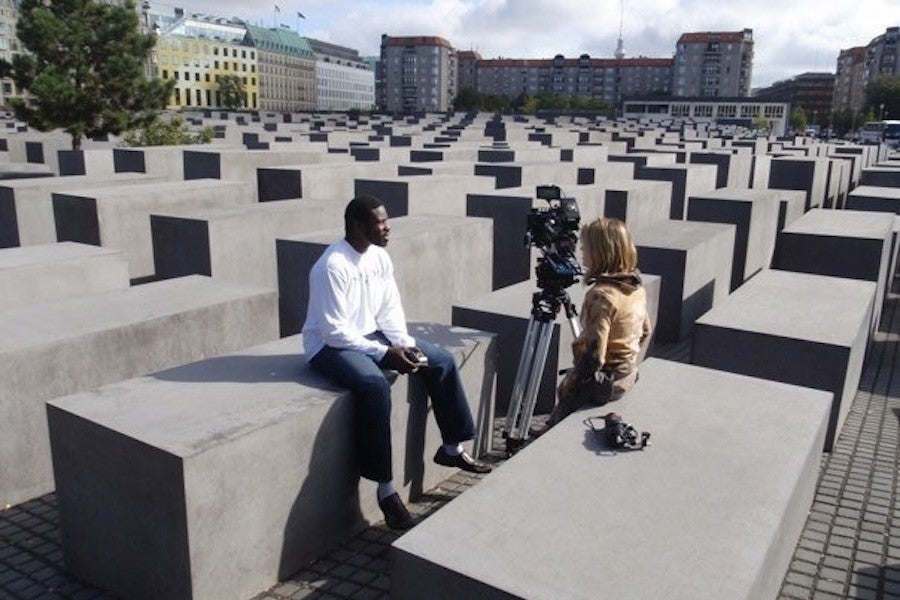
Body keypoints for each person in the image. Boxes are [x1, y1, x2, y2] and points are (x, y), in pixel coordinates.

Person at [302, 195, 491, 531]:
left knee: (441, 360)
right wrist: (384, 354)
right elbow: (334, 332)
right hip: (328, 346)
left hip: (372, 334)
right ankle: (386, 489)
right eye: (381, 222)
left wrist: (402, 345)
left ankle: (451, 447)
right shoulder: (332, 266)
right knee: (375, 385)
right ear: (359, 226)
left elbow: (390, 310)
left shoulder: (379, 257)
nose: (388, 228)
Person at [541, 217, 652, 431]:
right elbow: (645, 331)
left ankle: (551, 428)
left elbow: (593, 358)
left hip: (605, 384)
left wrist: (568, 387)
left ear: (601, 252)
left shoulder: (601, 296)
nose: (581, 250)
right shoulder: (636, 287)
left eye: (586, 246)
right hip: (627, 375)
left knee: (567, 389)